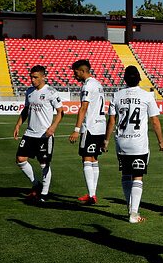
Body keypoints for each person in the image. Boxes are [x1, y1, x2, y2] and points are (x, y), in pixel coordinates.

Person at [106, 65, 163, 223]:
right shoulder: (147, 96)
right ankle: (134, 213)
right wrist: (161, 141)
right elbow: (155, 121)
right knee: (137, 177)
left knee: (126, 175)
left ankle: (129, 206)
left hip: (122, 142)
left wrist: (105, 140)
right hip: (138, 143)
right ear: (139, 79)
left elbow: (112, 121)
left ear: (125, 79)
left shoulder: (116, 96)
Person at [13, 65, 64, 203]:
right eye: (31, 77)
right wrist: (18, 124)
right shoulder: (29, 91)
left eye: (35, 77)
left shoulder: (51, 92)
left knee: (44, 163)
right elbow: (26, 110)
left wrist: (53, 127)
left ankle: (44, 193)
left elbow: (61, 112)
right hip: (30, 133)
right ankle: (36, 184)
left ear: (43, 77)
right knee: (20, 158)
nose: (32, 79)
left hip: (44, 135)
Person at [69, 59, 106, 205]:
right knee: (94, 159)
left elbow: (83, 108)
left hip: (90, 128)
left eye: (76, 72)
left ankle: (91, 195)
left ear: (82, 71)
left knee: (86, 158)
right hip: (100, 127)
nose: (74, 75)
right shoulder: (97, 84)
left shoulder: (87, 86)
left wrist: (77, 130)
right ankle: (92, 193)